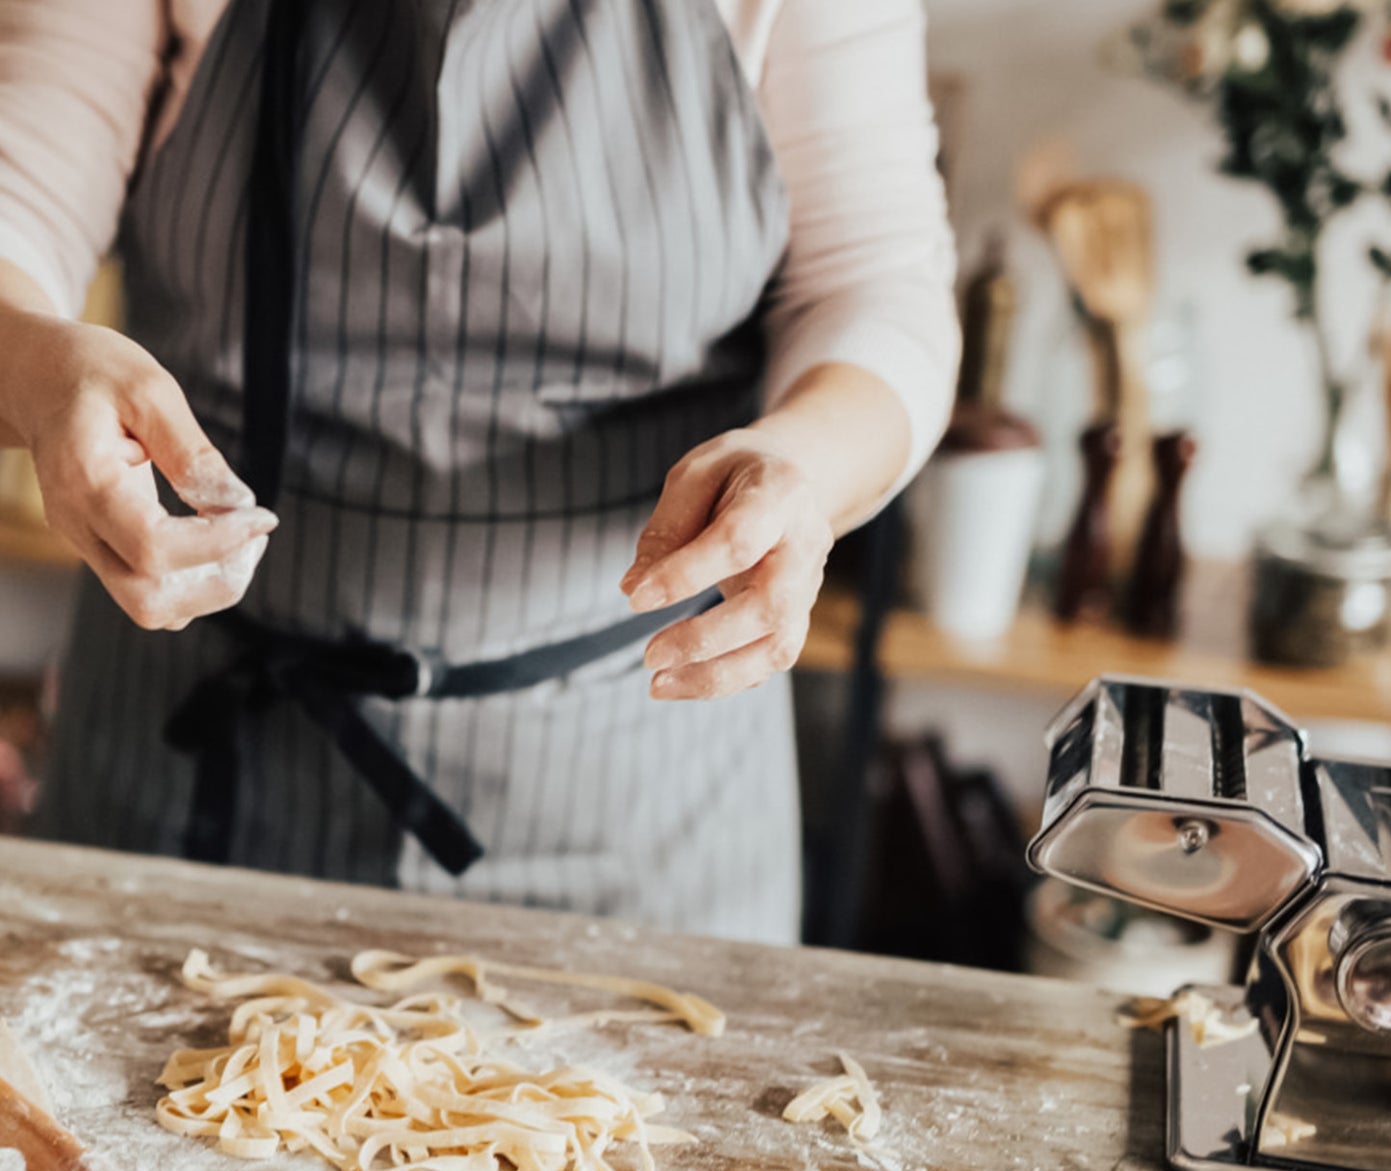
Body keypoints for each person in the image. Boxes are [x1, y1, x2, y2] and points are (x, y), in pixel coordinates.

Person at [0, 0, 958, 945]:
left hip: (636, 790)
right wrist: (37, 367)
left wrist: (803, 461)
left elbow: (873, 285)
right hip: (191, 759)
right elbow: (20, 201)